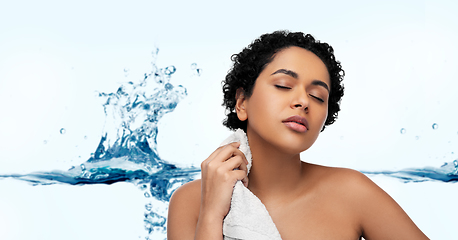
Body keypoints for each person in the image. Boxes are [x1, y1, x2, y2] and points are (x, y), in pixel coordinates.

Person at [167, 30, 429, 240]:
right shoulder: (190, 202)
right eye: (283, 85)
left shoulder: (352, 192)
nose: (303, 101)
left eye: (318, 96)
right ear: (242, 102)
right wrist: (212, 214)